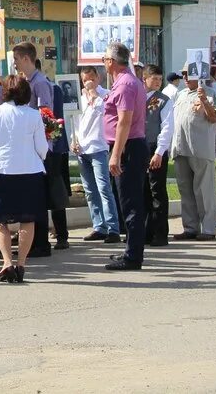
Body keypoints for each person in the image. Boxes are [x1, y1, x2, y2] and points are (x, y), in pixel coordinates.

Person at [0, 74, 49, 284]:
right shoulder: (34, 115)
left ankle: (7, 262)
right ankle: (22, 263)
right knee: (28, 219)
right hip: (30, 171)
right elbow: (42, 149)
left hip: (3, 171)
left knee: (0, 220)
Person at [12, 44, 66, 256]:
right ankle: (34, 242)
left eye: (16, 58)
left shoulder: (40, 83)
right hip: (32, 147)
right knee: (33, 197)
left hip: (41, 149)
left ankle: (41, 243)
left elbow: (46, 116)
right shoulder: (28, 82)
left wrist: (43, 149)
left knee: (40, 197)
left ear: (26, 59)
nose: (14, 62)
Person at [102, 42, 147, 271]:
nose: (103, 63)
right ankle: (131, 249)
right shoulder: (126, 82)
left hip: (128, 147)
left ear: (111, 61)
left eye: (104, 59)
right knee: (128, 202)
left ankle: (132, 257)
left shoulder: (126, 85)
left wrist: (116, 155)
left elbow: (124, 121)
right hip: (128, 146)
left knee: (130, 205)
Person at [72, 66, 121, 243]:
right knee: (90, 191)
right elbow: (75, 119)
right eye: (84, 80)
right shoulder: (79, 97)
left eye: (91, 79)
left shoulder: (106, 95)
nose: (88, 83)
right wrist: (74, 139)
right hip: (83, 148)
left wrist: (95, 95)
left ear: (98, 77)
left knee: (104, 188)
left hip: (99, 147)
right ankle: (98, 226)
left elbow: (108, 114)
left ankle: (113, 227)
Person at [170, 76, 216, 240]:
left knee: (204, 189)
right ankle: (190, 227)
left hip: (200, 148)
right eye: (183, 73)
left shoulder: (209, 92)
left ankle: (208, 229)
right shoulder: (181, 94)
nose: (185, 77)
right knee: (185, 190)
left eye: (189, 73)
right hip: (181, 147)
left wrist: (204, 101)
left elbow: (215, 118)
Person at [143, 65, 174, 247]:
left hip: (156, 148)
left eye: (159, 79)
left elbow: (167, 127)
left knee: (157, 192)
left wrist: (159, 152)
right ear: (145, 78)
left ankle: (160, 233)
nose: (157, 82)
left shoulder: (163, 100)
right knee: (143, 191)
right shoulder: (138, 97)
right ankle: (146, 231)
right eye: (153, 79)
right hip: (140, 147)